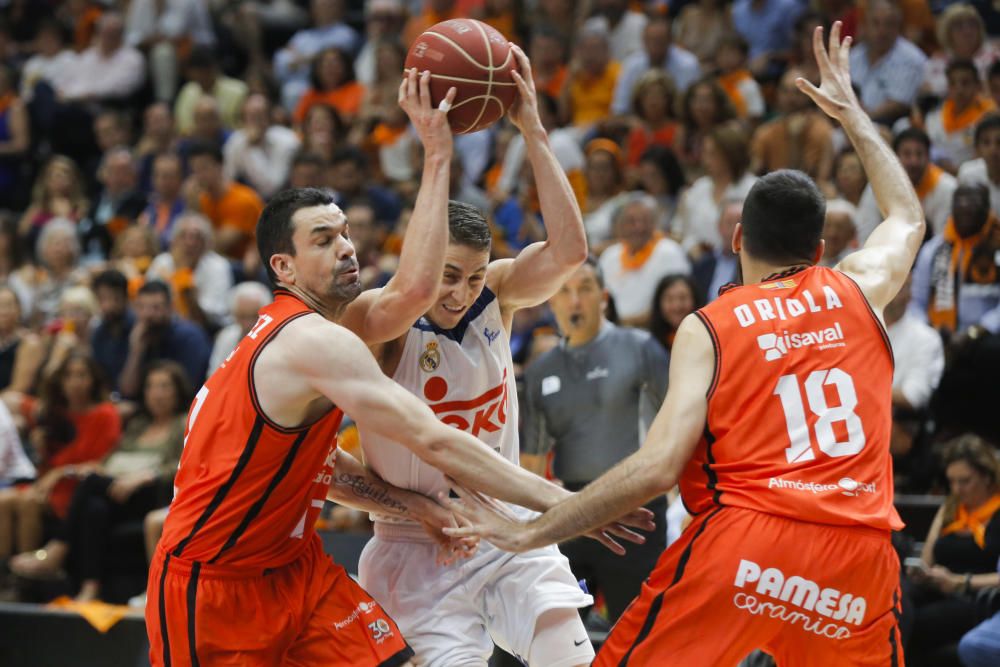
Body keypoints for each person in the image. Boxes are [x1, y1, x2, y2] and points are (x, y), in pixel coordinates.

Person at [442, 23, 925, 665]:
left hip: (752, 545)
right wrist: (854, 115)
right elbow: (908, 218)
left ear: (737, 240)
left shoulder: (711, 323)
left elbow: (657, 467)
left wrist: (533, 530)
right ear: (819, 249)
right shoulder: (861, 289)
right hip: (861, 555)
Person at [147, 68, 647, 667]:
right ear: (283, 266)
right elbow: (429, 418)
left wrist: (532, 129)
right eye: (325, 239)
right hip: (235, 574)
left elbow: (319, 464)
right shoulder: (343, 332)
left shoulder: (491, 296)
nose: (346, 247)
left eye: (347, 234)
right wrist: (436, 154)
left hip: (331, 557)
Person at [353, 49, 636, 667]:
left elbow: (569, 252)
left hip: (510, 526)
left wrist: (533, 128)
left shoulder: (496, 295)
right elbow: (330, 468)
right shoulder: (378, 322)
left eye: (474, 276)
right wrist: (411, 507)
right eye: (447, 276)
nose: (460, 293)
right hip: (414, 543)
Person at [522, 257, 669, 624]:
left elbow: (675, 425)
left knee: (636, 634)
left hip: (635, 507)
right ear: (551, 302)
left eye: (584, 289)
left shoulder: (640, 348)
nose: (575, 301)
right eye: (565, 291)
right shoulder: (540, 371)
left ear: (603, 297)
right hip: (570, 507)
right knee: (546, 629)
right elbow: (531, 462)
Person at [904, 435, 1000, 662]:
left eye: (965, 481)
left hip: (976, 594)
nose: (957, 489)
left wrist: (959, 581)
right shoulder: (952, 506)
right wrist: (921, 572)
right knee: (897, 600)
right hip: (939, 584)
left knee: (921, 622)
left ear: (987, 477)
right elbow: (928, 557)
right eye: (951, 481)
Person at [909, 184, 1000, 337]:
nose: (965, 205)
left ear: (986, 209)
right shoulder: (933, 250)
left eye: (973, 201)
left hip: (985, 338)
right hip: (938, 337)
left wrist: (979, 330)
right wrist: (930, 330)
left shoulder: (996, 247)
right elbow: (916, 302)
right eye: (959, 201)